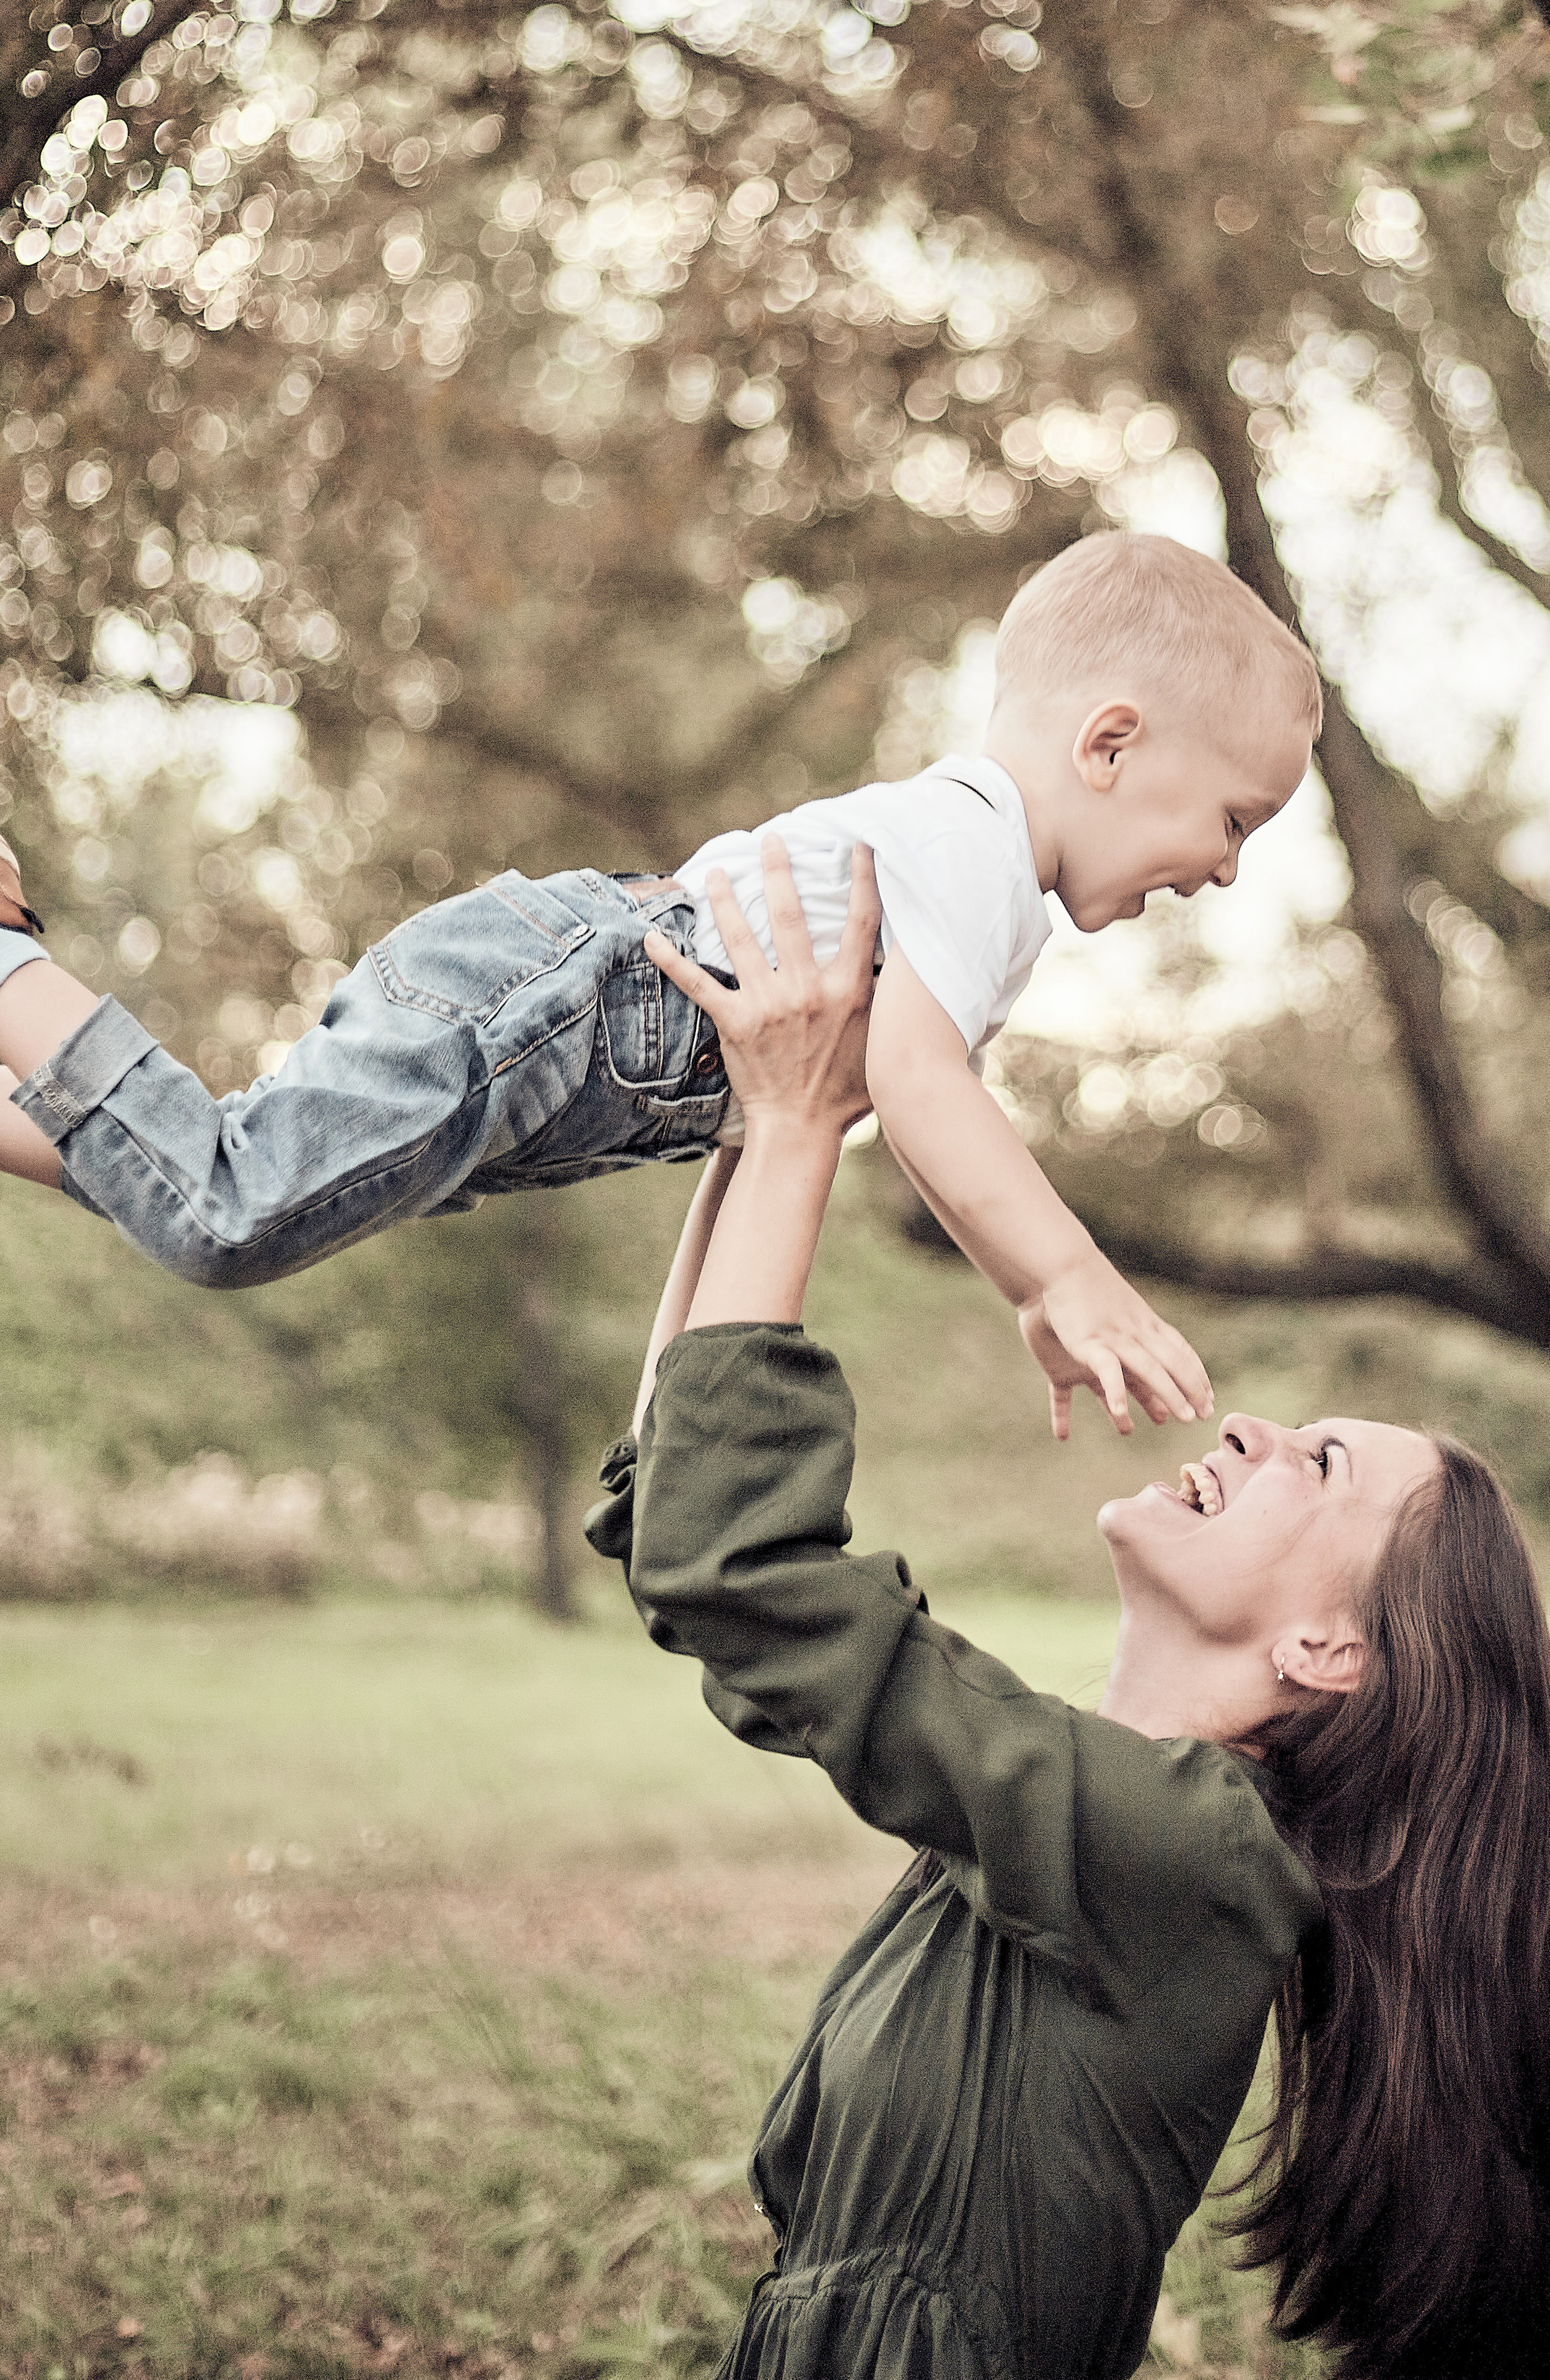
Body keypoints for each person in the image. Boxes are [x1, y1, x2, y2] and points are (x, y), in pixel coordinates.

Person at [586, 843, 1550, 2379]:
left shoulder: (1194, 1858)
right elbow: (678, 1523)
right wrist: (754, 1129)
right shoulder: (1089, 1830)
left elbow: (738, 1572)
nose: (1244, 1430)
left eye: (1314, 1460)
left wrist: (792, 1128)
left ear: (1330, 1652)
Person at [0, 532, 1316, 1436]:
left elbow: (765, 1136)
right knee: (230, 1212)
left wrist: (668, 1406)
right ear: (1111, 744)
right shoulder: (969, 849)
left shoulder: (980, 899)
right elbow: (912, 1093)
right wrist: (1057, 1279)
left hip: (552, 1026)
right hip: (553, 996)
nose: (1225, 874)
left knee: (205, 1168)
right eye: (1236, 819)